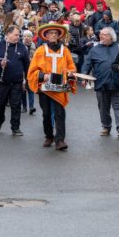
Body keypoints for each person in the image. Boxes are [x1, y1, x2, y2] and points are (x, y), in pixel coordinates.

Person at [27, 23, 77, 151]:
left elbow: (71, 67)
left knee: (60, 113)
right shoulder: (40, 51)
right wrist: (43, 76)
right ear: (46, 36)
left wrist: (71, 73)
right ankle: (49, 136)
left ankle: (60, 140)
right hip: (45, 87)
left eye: (55, 33)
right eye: (51, 33)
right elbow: (32, 71)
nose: (53, 35)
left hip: (60, 87)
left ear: (59, 36)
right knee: (46, 113)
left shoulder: (65, 50)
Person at [81, 27, 119, 137]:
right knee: (103, 107)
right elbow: (87, 63)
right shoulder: (95, 49)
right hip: (101, 82)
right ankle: (106, 126)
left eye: (104, 34)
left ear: (111, 36)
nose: (101, 36)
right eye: (100, 34)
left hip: (117, 82)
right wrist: (84, 75)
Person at [0, 25, 30, 136]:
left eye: (19, 35)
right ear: (8, 34)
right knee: (0, 104)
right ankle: (0, 120)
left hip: (16, 82)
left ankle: (15, 127)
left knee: (16, 105)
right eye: (16, 35)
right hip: (2, 82)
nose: (18, 37)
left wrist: (28, 81)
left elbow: (27, 65)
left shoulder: (22, 47)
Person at [21, 30, 37, 114]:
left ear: (31, 38)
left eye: (28, 36)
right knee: (23, 89)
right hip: (22, 70)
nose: (26, 38)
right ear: (23, 37)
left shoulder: (34, 47)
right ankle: (24, 107)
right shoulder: (20, 46)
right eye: (25, 36)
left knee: (31, 89)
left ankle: (31, 107)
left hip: (31, 70)